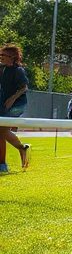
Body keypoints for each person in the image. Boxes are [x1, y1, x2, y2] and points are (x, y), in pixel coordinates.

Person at [0, 43, 31, 173]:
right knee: (1, 131)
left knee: (2, 130)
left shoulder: (19, 71)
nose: (1, 57)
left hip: (18, 104)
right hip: (5, 104)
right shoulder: (3, 69)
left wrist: (12, 98)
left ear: (12, 57)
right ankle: (3, 165)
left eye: (3, 55)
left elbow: (24, 88)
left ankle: (22, 149)